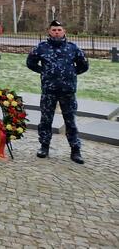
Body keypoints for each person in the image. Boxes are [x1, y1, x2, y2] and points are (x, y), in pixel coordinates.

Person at [27, 20, 89, 164]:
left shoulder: (72, 48)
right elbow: (30, 62)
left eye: (59, 30)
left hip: (67, 91)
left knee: (70, 121)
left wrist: (71, 74)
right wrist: (44, 72)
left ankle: (75, 150)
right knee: (46, 120)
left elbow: (84, 65)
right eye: (54, 30)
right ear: (49, 31)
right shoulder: (41, 48)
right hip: (49, 90)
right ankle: (44, 146)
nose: (56, 32)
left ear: (64, 31)